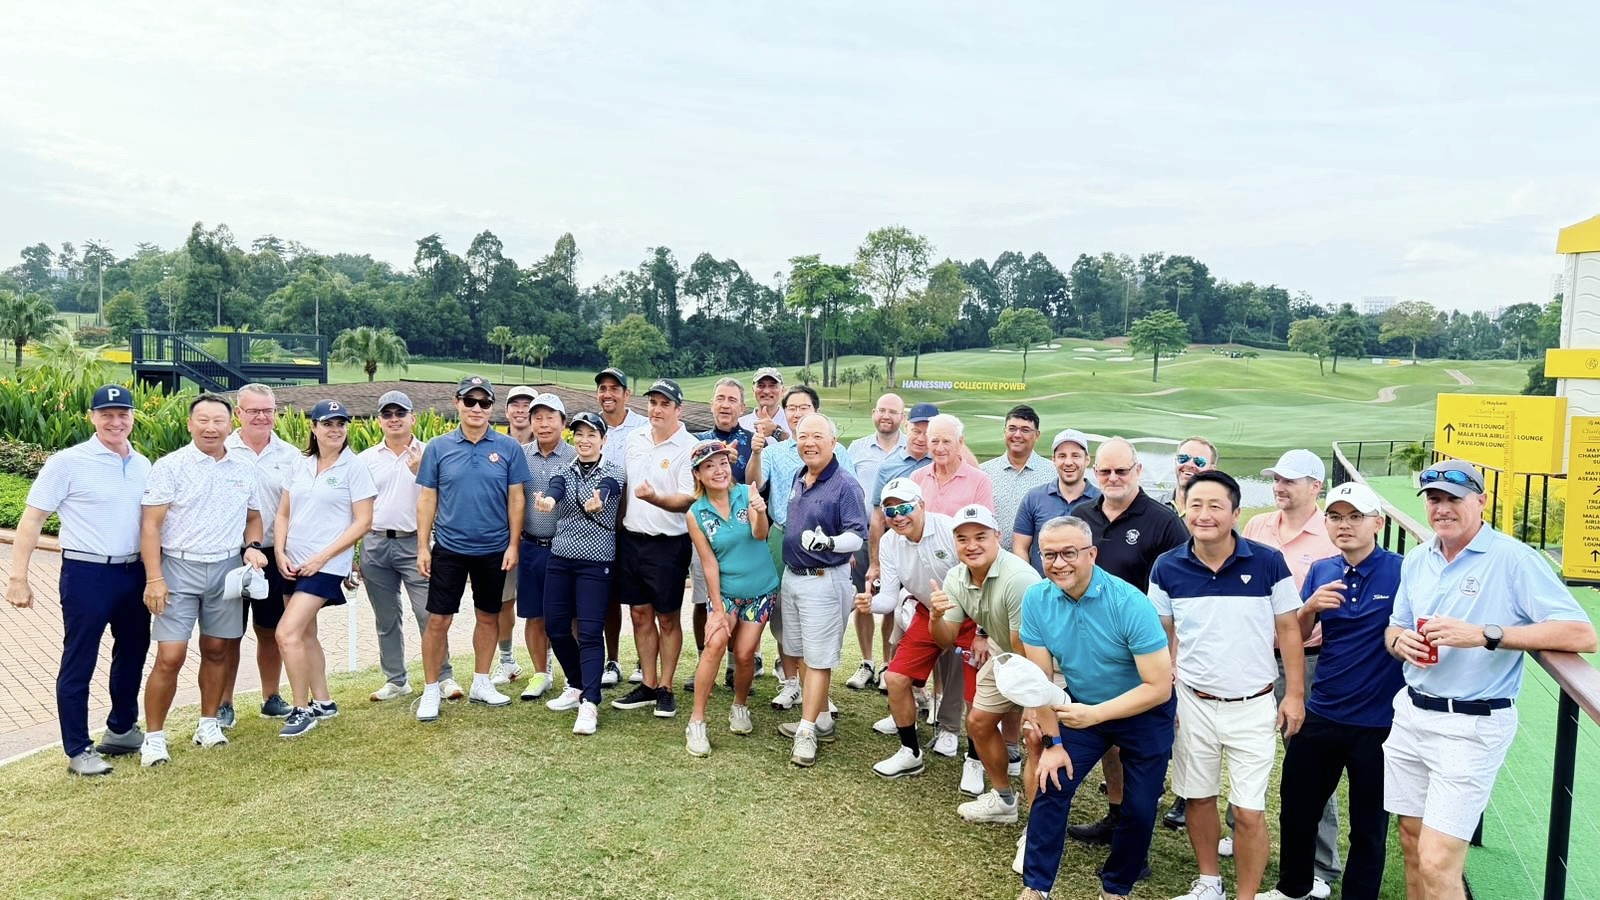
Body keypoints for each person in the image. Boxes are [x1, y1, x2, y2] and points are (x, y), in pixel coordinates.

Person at [1383, 460, 1595, 900]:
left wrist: (1485, 634)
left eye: (1454, 499)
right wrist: (1399, 641)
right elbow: (1395, 625)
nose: (1442, 509)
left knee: (1437, 862)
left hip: (1472, 724)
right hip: (1412, 713)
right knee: (1411, 842)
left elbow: (1581, 634)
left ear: (1481, 501)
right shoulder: (1419, 558)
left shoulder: (1514, 559)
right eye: (1434, 499)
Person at [1150, 470, 1305, 900]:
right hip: (1193, 702)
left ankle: (1246, 896)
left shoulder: (1268, 562)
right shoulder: (1167, 566)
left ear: (1236, 513)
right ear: (1184, 510)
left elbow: (1289, 629)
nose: (1204, 514)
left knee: (1248, 810)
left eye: (1215, 506)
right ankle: (1210, 882)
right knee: (1199, 797)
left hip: (1253, 704)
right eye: (1195, 505)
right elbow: (1161, 636)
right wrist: (1165, 694)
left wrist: (1294, 694)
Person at [1016, 516, 1176, 900]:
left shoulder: (1129, 602)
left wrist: (1097, 714)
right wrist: (1052, 743)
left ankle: (1116, 888)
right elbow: (1040, 683)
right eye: (1049, 555)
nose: (1058, 563)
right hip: (1082, 704)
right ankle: (1036, 887)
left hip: (1143, 711)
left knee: (1140, 807)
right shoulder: (1036, 599)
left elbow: (1159, 687)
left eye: (1069, 553)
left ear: (1092, 554)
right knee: (1051, 783)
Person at [1260, 482, 1403, 900]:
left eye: (1356, 517)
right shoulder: (1323, 570)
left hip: (1379, 722)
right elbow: (1299, 634)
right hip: (1323, 710)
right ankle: (1294, 888)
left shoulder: (1403, 571)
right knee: (1297, 807)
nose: (1345, 525)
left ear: (1378, 523)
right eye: (1336, 517)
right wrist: (1309, 607)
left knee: (1369, 824)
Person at [6, 384, 151, 776]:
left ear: (132, 417)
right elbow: (32, 519)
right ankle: (78, 748)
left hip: (134, 572)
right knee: (80, 658)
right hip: (88, 573)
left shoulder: (142, 464)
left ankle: (122, 729)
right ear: (92, 418)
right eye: (107, 415)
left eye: (122, 414)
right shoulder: (68, 462)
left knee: (133, 652)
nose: (115, 422)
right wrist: (18, 577)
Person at [1064, 437, 1188, 848]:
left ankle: (1135, 838)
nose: (1113, 478)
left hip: (1147, 652)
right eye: (1105, 471)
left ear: (1138, 471)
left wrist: (1172, 658)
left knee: (1137, 747)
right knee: (1107, 738)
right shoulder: (1081, 516)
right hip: (1094, 652)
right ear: (1094, 473)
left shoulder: (1163, 522)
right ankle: (1116, 815)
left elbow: (1180, 596)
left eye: (1121, 470)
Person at [139, 394, 270, 766]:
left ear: (231, 425)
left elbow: (253, 517)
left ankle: (208, 724)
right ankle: (154, 738)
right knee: (170, 656)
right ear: (189, 424)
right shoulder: (170, 466)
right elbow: (150, 526)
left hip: (226, 568)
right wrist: (154, 578)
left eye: (218, 421)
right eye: (203, 420)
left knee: (217, 649)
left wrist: (253, 546)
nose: (211, 428)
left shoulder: (243, 468)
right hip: (177, 569)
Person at [1243, 448, 1342, 893]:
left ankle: (1321, 864)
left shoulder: (1331, 535)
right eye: (1276, 480)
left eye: (1290, 480)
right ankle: (1242, 831)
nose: (1279, 487)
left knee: (1311, 761)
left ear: (1315, 486)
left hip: (1308, 660)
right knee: (1247, 744)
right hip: (1252, 656)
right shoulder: (1258, 526)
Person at [413, 376, 531, 723]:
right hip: (449, 548)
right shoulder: (438, 447)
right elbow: (427, 499)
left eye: (484, 402)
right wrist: (422, 546)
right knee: (439, 619)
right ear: (457, 403)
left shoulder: (508, 448)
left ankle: (481, 682)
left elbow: (516, 499)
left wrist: (513, 544)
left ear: (491, 408)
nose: (477, 408)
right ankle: (431, 688)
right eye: (470, 401)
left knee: (488, 616)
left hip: (494, 548)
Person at [747, 385, 857, 710]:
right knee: (784, 613)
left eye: (804, 407)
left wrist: (843, 547)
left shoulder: (837, 451)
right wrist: (756, 452)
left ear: (816, 412)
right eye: (792, 408)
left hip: (824, 543)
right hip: (782, 536)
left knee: (818, 619)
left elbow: (848, 499)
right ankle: (791, 682)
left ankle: (818, 693)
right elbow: (755, 482)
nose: (797, 413)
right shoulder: (777, 451)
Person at [272, 400, 376, 738]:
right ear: (314, 427)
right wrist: (279, 552)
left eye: (341, 423)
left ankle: (301, 709)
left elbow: (363, 522)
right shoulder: (299, 463)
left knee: (286, 633)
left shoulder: (354, 467)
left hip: (326, 564)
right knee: (304, 634)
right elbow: (283, 512)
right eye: (328, 423)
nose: (335, 429)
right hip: (293, 561)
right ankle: (324, 701)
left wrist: (322, 558)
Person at [934, 504, 1038, 823]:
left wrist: (1031, 704)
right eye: (963, 539)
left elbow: (1026, 648)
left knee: (1037, 737)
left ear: (997, 537)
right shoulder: (956, 576)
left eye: (980, 536)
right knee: (978, 723)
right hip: (1005, 652)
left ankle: (1038, 828)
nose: (972, 545)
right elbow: (946, 638)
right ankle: (1004, 800)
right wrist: (936, 617)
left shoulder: (1018, 577)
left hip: (1044, 658)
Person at [775, 412, 868, 767]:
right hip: (794, 576)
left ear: (833, 442)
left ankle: (807, 730)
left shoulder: (845, 485)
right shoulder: (800, 476)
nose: (809, 443)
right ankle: (822, 718)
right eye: (803, 436)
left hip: (823, 579)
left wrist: (828, 542)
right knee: (800, 652)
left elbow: (856, 536)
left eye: (817, 436)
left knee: (818, 659)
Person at [357, 390, 461, 703]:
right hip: (375, 544)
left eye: (400, 413)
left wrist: (420, 473)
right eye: (387, 415)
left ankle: (443, 676)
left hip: (417, 543)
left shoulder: (431, 453)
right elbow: (356, 508)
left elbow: (448, 499)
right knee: (386, 618)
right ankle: (396, 680)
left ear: (412, 418)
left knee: (429, 615)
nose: (394, 420)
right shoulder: (366, 459)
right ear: (379, 421)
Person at [857, 478, 962, 779]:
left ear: (922, 505)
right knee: (895, 677)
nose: (898, 516)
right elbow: (889, 597)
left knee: (968, 683)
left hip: (968, 613)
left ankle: (965, 746)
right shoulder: (889, 542)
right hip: (927, 611)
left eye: (904, 508)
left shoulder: (948, 529)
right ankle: (910, 752)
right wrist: (870, 604)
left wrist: (981, 630)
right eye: (890, 512)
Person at [609, 378, 698, 719]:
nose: (657, 410)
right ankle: (647, 684)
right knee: (639, 614)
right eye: (653, 403)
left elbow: (686, 499)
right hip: (633, 539)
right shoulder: (636, 438)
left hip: (668, 544)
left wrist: (655, 498)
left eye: (664, 404)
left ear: (678, 409)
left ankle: (666, 687)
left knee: (667, 617)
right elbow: (626, 486)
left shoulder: (688, 446)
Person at [683, 439, 778, 756]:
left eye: (723, 463)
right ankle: (697, 721)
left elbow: (760, 534)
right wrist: (716, 610)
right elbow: (709, 563)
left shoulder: (746, 493)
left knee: (745, 654)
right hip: (725, 592)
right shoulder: (696, 513)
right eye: (709, 466)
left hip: (760, 589)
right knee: (714, 644)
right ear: (698, 474)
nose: (718, 470)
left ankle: (740, 704)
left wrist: (760, 512)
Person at [536, 411, 626, 735]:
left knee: (589, 632)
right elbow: (556, 488)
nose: (585, 440)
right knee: (556, 626)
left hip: (596, 561)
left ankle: (590, 702)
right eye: (580, 434)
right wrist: (548, 501)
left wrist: (600, 499)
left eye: (592, 434)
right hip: (561, 557)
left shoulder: (613, 470)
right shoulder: (563, 469)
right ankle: (576, 685)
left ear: (603, 439)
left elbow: (608, 487)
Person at [911, 412, 994, 757]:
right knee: (926, 647)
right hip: (928, 581)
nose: (940, 447)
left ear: (961, 443)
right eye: (934, 440)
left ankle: (949, 726)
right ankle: (928, 707)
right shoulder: (918, 477)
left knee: (959, 657)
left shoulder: (978, 480)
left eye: (947, 440)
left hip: (966, 581)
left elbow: (983, 534)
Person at [220, 382, 301, 724]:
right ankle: (223, 704)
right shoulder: (221, 449)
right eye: (253, 410)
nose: (261, 417)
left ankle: (271, 697)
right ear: (239, 413)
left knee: (270, 630)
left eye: (267, 411)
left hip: (272, 553)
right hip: (229, 554)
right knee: (227, 635)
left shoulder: (291, 455)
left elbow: (298, 508)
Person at [689, 377, 762, 692]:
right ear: (712, 404)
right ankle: (705, 659)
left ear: (742, 407)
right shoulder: (698, 440)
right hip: (709, 531)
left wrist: (747, 458)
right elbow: (692, 485)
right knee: (702, 597)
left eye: (732, 400)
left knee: (744, 601)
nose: (725, 404)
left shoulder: (752, 441)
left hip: (744, 534)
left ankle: (736, 665)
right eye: (720, 398)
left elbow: (759, 483)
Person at [514, 392, 574, 701]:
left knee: (572, 615)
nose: (544, 423)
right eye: (537, 417)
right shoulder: (520, 455)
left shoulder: (576, 455)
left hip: (567, 548)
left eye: (551, 417)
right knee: (534, 614)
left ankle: (574, 677)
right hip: (531, 546)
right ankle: (541, 673)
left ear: (563, 422)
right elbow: (513, 500)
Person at [844, 392, 906, 691]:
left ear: (902, 417)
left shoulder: (912, 448)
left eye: (893, 412)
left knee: (892, 602)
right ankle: (867, 662)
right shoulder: (857, 448)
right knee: (863, 598)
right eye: (882, 410)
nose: (886, 416)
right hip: (862, 535)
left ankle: (887, 664)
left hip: (899, 538)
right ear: (873, 413)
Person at [594, 366, 648, 688]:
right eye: (603, 388)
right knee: (608, 598)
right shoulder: (592, 426)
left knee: (640, 601)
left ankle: (643, 660)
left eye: (615, 388)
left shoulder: (642, 427)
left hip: (635, 525)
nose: (608, 394)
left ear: (627, 394)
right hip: (600, 527)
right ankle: (612, 660)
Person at [491, 385, 541, 687]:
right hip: (502, 538)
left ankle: (544, 663)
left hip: (538, 538)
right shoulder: (495, 445)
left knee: (542, 606)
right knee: (503, 602)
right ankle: (507, 660)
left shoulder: (547, 445)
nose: (521, 410)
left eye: (527, 406)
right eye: (515, 405)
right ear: (507, 410)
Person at [1014, 429, 1102, 573]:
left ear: (1087, 459)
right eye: (1062, 456)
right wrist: (1029, 579)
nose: (1068, 462)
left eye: (1075, 456)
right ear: (1053, 460)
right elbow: (1020, 547)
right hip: (1043, 584)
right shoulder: (1034, 498)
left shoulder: (1102, 501)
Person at [979, 405, 1054, 553]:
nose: (1017, 435)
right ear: (1004, 431)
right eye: (1012, 428)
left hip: (1038, 561)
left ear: (1037, 435)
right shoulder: (983, 473)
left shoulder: (1053, 473)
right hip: (992, 559)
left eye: (1025, 430)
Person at [1156, 437, 1218, 516]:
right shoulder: (1154, 507)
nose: (1189, 464)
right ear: (1175, 462)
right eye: (1183, 458)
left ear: (1212, 470)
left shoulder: (1217, 514)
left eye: (1199, 461)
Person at [738, 366, 793, 441]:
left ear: (782, 390)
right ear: (753, 390)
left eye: (772, 386)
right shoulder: (740, 424)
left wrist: (776, 432)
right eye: (761, 386)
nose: (766, 391)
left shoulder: (794, 421)